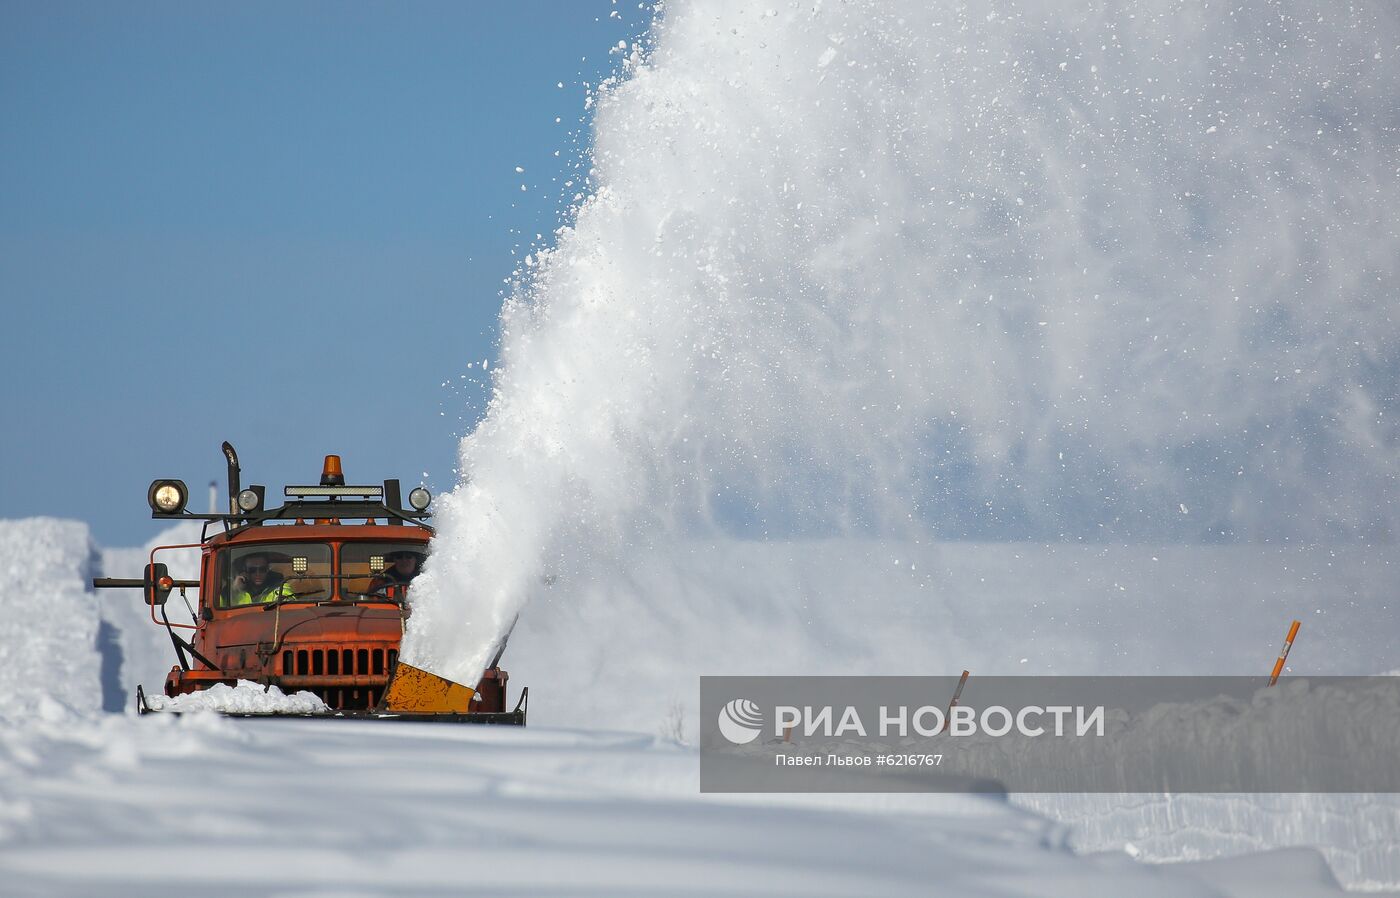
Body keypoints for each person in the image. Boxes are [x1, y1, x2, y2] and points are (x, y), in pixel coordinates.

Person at [229, 553, 296, 606]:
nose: (258, 574)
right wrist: (234, 590)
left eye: (262, 569)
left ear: (267, 570)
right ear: (245, 572)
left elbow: (288, 603)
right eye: (252, 570)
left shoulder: (280, 587)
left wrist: (283, 599)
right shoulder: (235, 593)